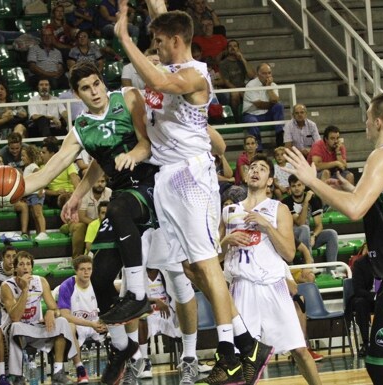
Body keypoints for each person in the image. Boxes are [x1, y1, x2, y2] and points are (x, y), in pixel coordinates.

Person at [114, 2, 274, 384]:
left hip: (190, 176)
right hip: (166, 177)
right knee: (188, 267)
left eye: (157, 41)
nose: (153, 45)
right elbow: (161, 14)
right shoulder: (169, 60)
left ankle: (228, 353)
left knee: (204, 264)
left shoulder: (195, 74)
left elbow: (158, 83)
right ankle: (247, 341)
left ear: (174, 41)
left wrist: (123, 38)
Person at [284, 92, 383, 385]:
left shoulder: (382, 156)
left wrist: (312, 181)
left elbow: (356, 209)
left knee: (380, 364)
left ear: (379, 122)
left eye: (368, 118)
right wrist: (348, 188)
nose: (365, 123)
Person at [24, 61, 159, 385]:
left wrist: (134, 157)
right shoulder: (81, 128)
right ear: (77, 93)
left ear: (103, 82)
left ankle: (138, 294)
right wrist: (14, 189)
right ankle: (122, 348)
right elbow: (55, 169)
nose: (94, 91)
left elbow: (147, 143)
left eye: (97, 83)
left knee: (114, 209)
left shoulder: (126, 98)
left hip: (154, 180)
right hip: (125, 194)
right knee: (98, 277)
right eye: (86, 88)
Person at [220, 154, 322, 385]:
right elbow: (215, 255)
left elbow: (288, 252)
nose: (255, 170)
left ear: (270, 181)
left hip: (273, 287)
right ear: (246, 175)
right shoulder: (229, 211)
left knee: (299, 350)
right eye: (252, 167)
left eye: (262, 168)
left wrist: (266, 226)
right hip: (242, 287)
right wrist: (227, 241)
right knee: (242, 359)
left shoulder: (279, 209)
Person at [0, 251, 78, 385]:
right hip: (13, 331)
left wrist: (51, 313)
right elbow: (15, 317)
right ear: (15, 268)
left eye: (28, 264)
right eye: (21, 264)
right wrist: (25, 290)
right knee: (16, 326)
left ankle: (58, 371)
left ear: (32, 268)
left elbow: (55, 309)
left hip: (35, 327)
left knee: (62, 322)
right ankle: (17, 376)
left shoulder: (41, 281)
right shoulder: (7, 286)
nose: (25, 267)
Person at [58, 255, 107, 384]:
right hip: (78, 325)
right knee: (69, 326)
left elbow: (109, 305)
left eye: (89, 269)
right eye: (82, 269)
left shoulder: (97, 283)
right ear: (76, 270)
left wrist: (106, 322)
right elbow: (65, 315)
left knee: (120, 324)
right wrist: (91, 324)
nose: (86, 272)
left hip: (96, 324)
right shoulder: (66, 286)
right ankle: (80, 369)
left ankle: (120, 366)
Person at [282, 174, 339, 271]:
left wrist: (314, 236)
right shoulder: (286, 202)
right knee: (304, 228)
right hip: (292, 239)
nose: (297, 188)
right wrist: (306, 203)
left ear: (304, 186)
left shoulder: (313, 199)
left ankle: (332, 271)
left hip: (307, 236)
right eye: (293, 186)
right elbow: (300, 222)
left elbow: (319, 225)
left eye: (299, 185)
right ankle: (309, 266)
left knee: (331, 234)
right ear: (290, 188)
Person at [0, 153, 29, 241]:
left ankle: (24, 233)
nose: (2, 164)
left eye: (2, 161)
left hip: (10, 202)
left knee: (23, 206)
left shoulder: (10, 173)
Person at [242, 63, 285, 149]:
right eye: (264, 73)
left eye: (269, 73)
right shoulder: (250, 85)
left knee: (279, 106)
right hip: (252, 113)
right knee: (252, 122)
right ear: (258, 74)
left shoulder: (273, 85)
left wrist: (268, 87)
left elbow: (275, 100)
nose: (267, 76)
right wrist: (272, 103)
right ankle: (259, 150)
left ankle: (280, 139)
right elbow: (259, 105)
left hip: (267, 114)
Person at [70, 175, 112, 256]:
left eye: (102, 181)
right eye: (97, 181)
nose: (100, 184)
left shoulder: (109, 192)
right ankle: (77, 259)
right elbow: (82, 217)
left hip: (101, 221)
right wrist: (96, 224)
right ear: (91, 183)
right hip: (81, 221)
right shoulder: (85, 193)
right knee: (80, 227)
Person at [347, 243, 376, 357]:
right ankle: (366, 343)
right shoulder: (360, 264)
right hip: (367, 298)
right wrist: (374, 296)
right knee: (360, 303)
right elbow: (358, 290)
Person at [218, 40, 255, 120]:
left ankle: (251, 116)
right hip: (230, 88)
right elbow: (226, 82)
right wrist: (239, 91)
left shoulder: (242, 61)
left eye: (235, 46)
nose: (232, 48)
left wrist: (243, 59)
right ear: (227, 49)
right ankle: (237, 119)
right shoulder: (223, 63)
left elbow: (252, 76)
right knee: (235, 94)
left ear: (238, 49)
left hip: (243, 86)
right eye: (230, 46)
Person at [40, 138, 80, 209]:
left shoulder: (67, 163)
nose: (41, 155)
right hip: (55, 196)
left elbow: (75, 179)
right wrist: (55, 192)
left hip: (71, 193)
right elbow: (41, 190)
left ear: (52, 154)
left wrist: (76, 194)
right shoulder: (41, 168)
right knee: (64, 198)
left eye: (44, 153)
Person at [21, 145, 49, 241]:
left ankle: (43, 232)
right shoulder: (27, 167)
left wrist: (41, 189)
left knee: (38, 213)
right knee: (34, 214)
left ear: (30, 156)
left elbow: (41, 176)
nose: (22, 158)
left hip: (37, 193)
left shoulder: (33, 166)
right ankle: (39, 233)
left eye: (24, 156)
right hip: (31, 194)